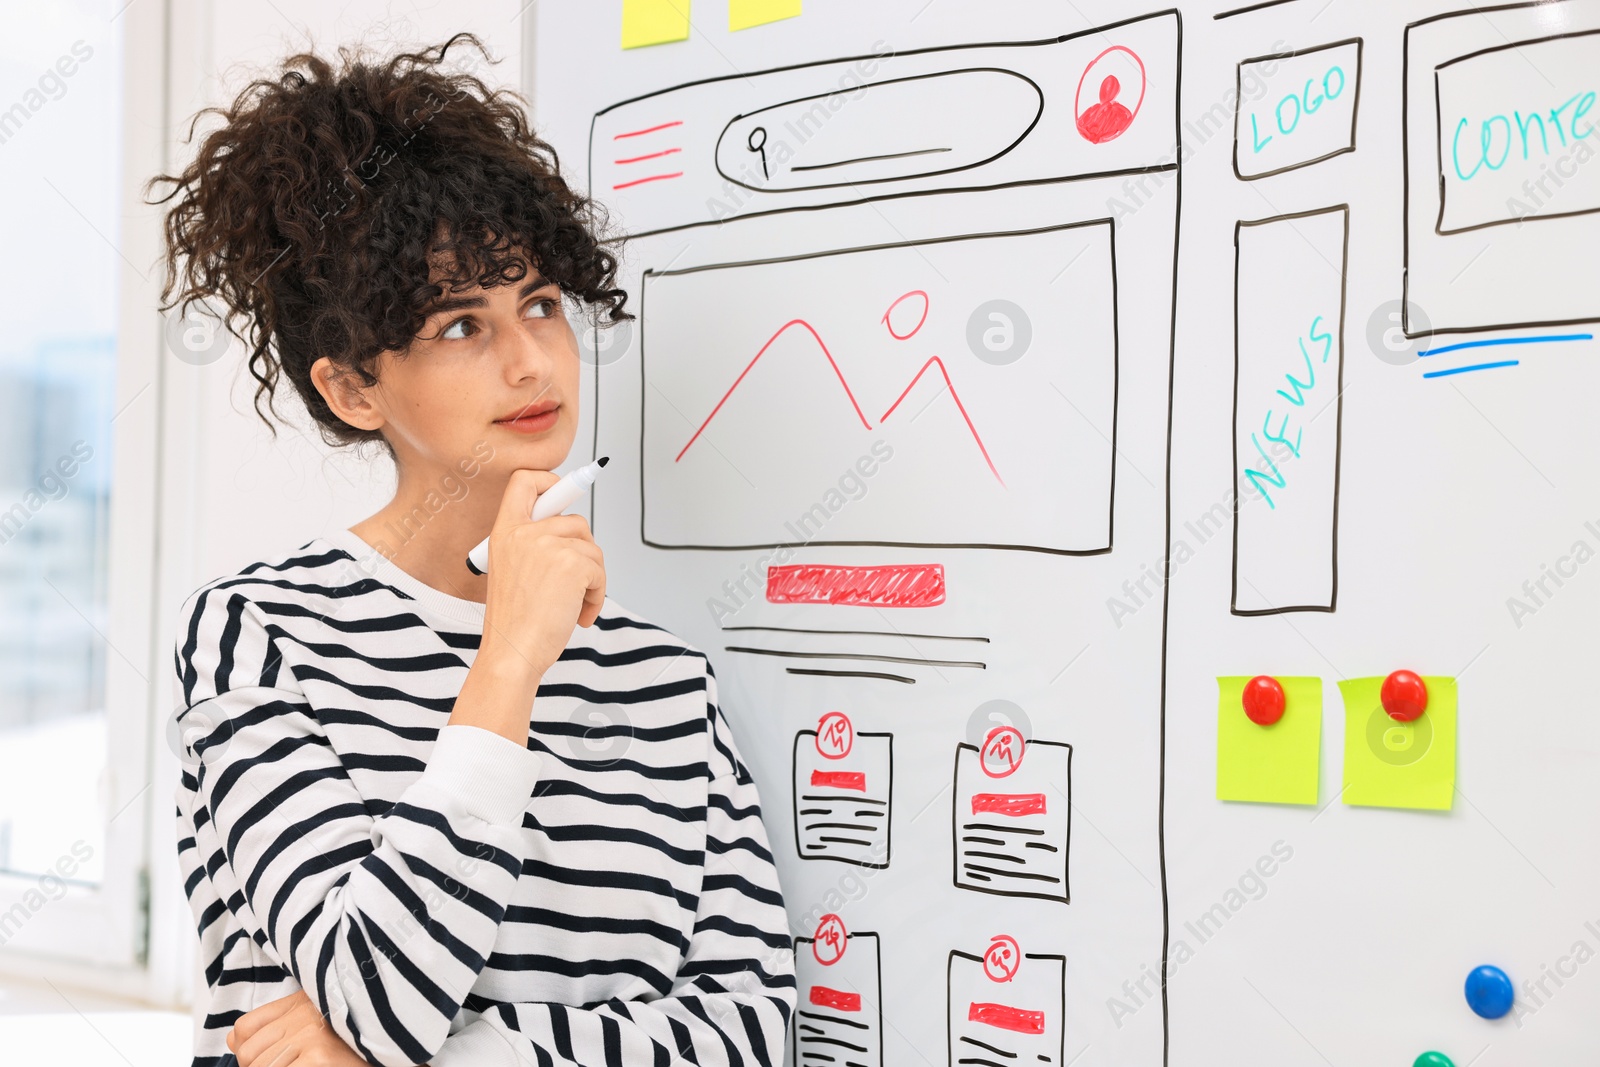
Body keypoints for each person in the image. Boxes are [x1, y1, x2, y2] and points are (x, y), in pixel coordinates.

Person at [146, 32, 796, 1067]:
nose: (532, 357)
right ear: (355, 389)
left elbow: (755, 1033)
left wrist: (461, 1049)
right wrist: (506, 661)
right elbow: (377, 988)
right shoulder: (255, 634)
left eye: (540, 302)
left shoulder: (668, 680)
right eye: (460, 323)